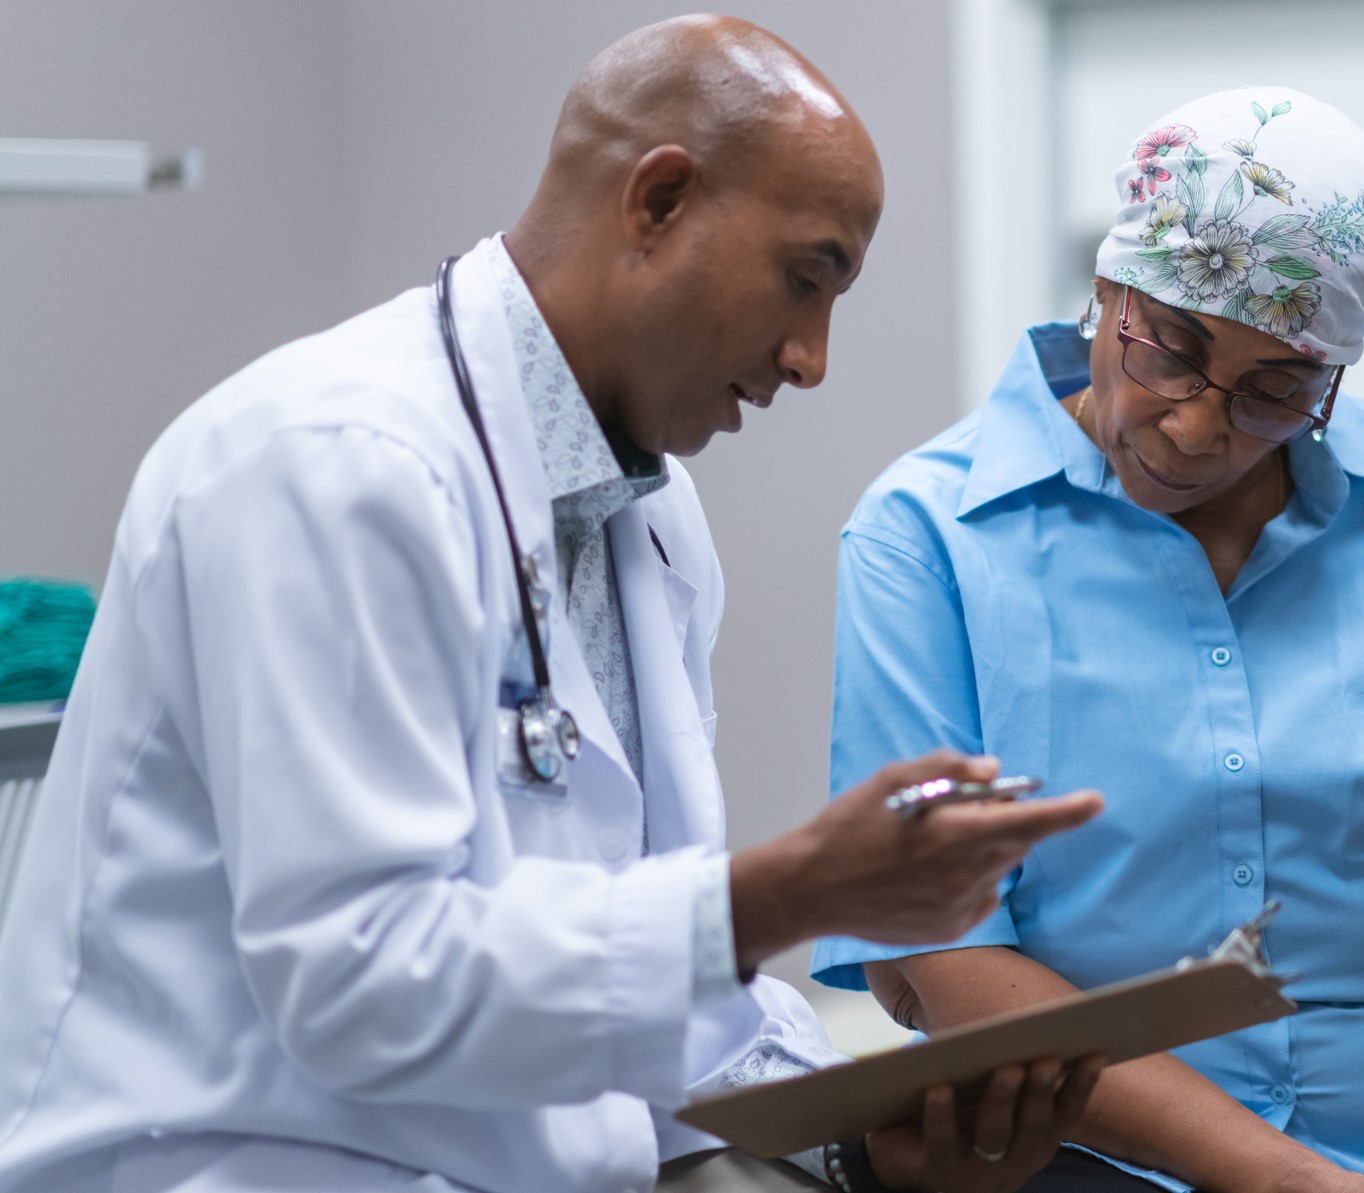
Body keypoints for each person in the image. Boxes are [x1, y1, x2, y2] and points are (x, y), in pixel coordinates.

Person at [0, 16, 1107, 1193]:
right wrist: (799, 886)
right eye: (806, 277)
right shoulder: (331, 463)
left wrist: (859, 1128)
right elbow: (360, 985)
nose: (810, 358)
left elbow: (620, 964)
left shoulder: (650, 514)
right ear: (661, 199)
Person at [812, 89, 1364, 1193]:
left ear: (1334, 377)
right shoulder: (928, 536)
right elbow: (948, 954)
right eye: (1171, 350)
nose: (1198, 424)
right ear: (1109, 286)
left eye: (1276, 389)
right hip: (1099, 1144)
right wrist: (1297, 1183)